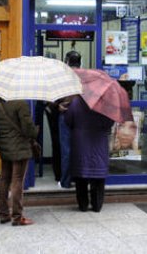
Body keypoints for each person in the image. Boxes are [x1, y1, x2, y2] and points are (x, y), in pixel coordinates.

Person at [64, 95, 114, 212]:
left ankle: (83, 205)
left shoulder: (76, 102)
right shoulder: (105, 103)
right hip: (99, 142)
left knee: (81, 176)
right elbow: (109, 123)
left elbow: (68, 121)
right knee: (98, 177)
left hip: (80, 142)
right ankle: (97, 205)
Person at [0, 99, 38, 226]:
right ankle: (17, 216)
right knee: (17, 180)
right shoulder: (21, 104)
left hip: (5, 146)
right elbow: (28, 129)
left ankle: (3, 214)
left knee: (4, 180)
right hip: (20, 147)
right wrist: (36, 130)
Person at [57, 50, 82, 189]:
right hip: (81, 115)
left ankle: (66, 181)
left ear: (67, 61)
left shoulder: (63, 76)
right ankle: (79, 179)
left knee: (66, 149)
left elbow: (55, 96)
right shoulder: (85, 76)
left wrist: (58, 105)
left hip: (65, 113)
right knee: (80, 148)